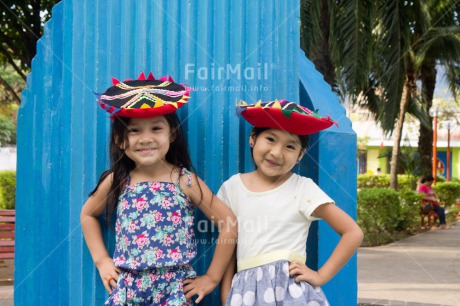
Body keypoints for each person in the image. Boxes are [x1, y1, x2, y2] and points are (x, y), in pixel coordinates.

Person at [80, 73, 237, 305]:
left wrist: (212, 278)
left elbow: (229, 224)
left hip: (174, 289)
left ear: (171, 134)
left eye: (156, 128)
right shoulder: (117, 180)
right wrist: (102, 260)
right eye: (134, 130)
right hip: (128, 289)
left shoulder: (185, 180)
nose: (145, 138)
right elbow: (87, 215)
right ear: (120, 139)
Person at [218, 100, 364, 305]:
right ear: (253, 139)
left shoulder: (303, 188)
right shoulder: (232, 187)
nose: (277, 153)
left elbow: (353, 233)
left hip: (290, 292)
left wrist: (320, 276)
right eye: (270, 139)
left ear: (300, 155)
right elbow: (229, 246)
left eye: (290, 146)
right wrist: (227, 295)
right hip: (245, 292)